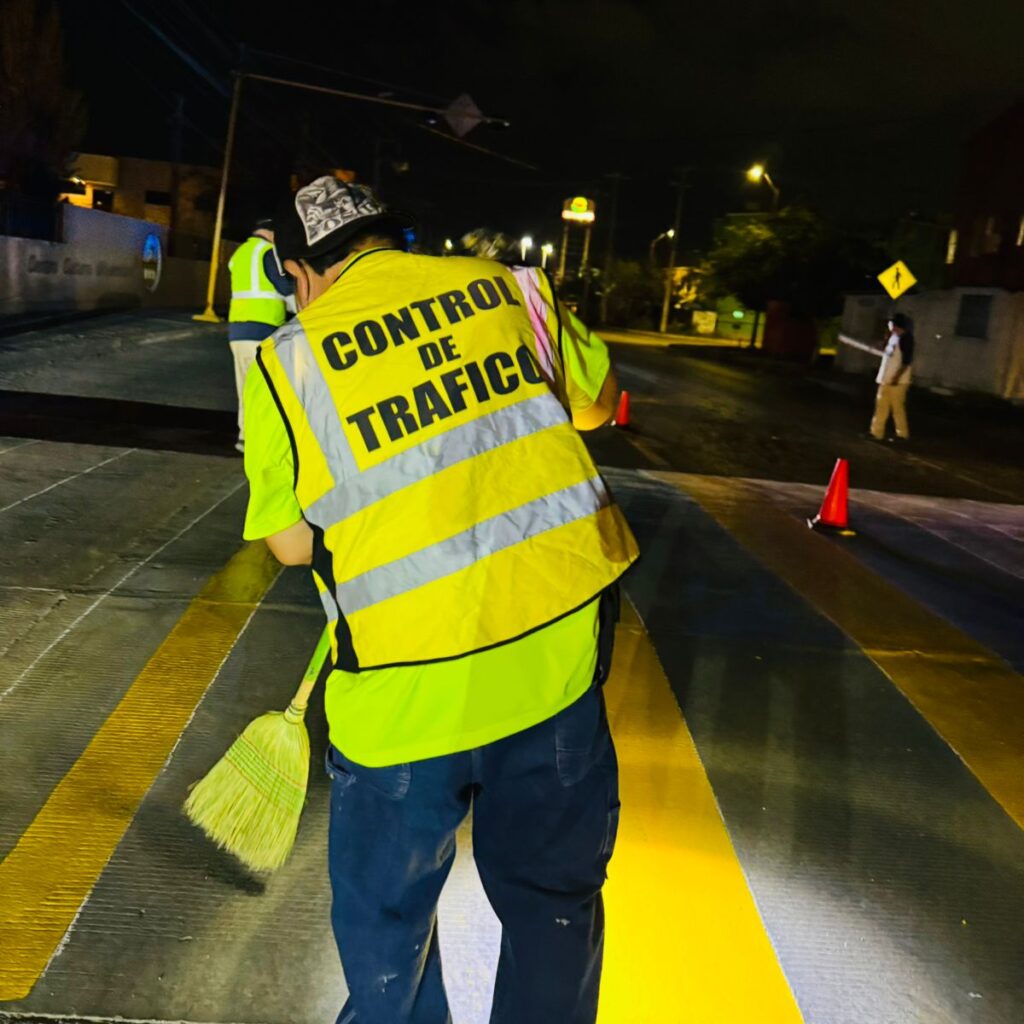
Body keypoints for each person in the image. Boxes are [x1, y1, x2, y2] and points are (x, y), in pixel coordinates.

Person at [241, 176, 638, 1024]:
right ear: (394, 239)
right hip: (552, 673)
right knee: (552, 909)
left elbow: (293, 544)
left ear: (295, 271)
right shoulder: (512, 291)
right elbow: (598, 407)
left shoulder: (287, 360)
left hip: (400, 701)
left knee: (389, 939)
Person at [227, 218, 292, 452]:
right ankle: (264, 442)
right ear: (272, 233)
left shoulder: (240, 254)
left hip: (238, 332)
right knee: (268, 389)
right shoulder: (267, 252)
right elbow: (285, 288)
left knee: (246, 387)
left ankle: (245, 437)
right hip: (263, 331)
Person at [869, 311, 914, 442]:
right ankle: (876, 433)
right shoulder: (893, 337)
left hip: (898, 381)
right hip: (886, 378)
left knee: (897, 408)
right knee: (881, 406)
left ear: (896, 325)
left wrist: (896, 377)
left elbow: (906, 362)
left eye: (891, 323)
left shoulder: (906, 339)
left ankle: (902, 434)